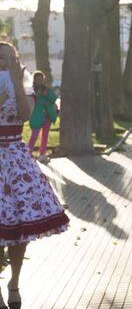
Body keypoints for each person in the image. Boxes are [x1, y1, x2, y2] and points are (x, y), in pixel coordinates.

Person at [0, 42, 70, 309]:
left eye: (8, 58)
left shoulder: (27, 88)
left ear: (17, 62)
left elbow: (25, 115)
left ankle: (14, 282)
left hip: (16, 161)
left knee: (19, 231)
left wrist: (16, 84)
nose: (3, 63)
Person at [27, 71, 58, 163]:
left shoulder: (46, 89)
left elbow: (54, 98)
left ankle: (42, 155)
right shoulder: (31, 90)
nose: (39, 81)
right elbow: (29, 101)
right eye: (37, 79)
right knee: (34, 136)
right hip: (36, 116)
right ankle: (27, 155)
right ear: (34, 79)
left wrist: (46, 94)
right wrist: (37, 94)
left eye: (41, 79)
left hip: (47, 116)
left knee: (45, 136)